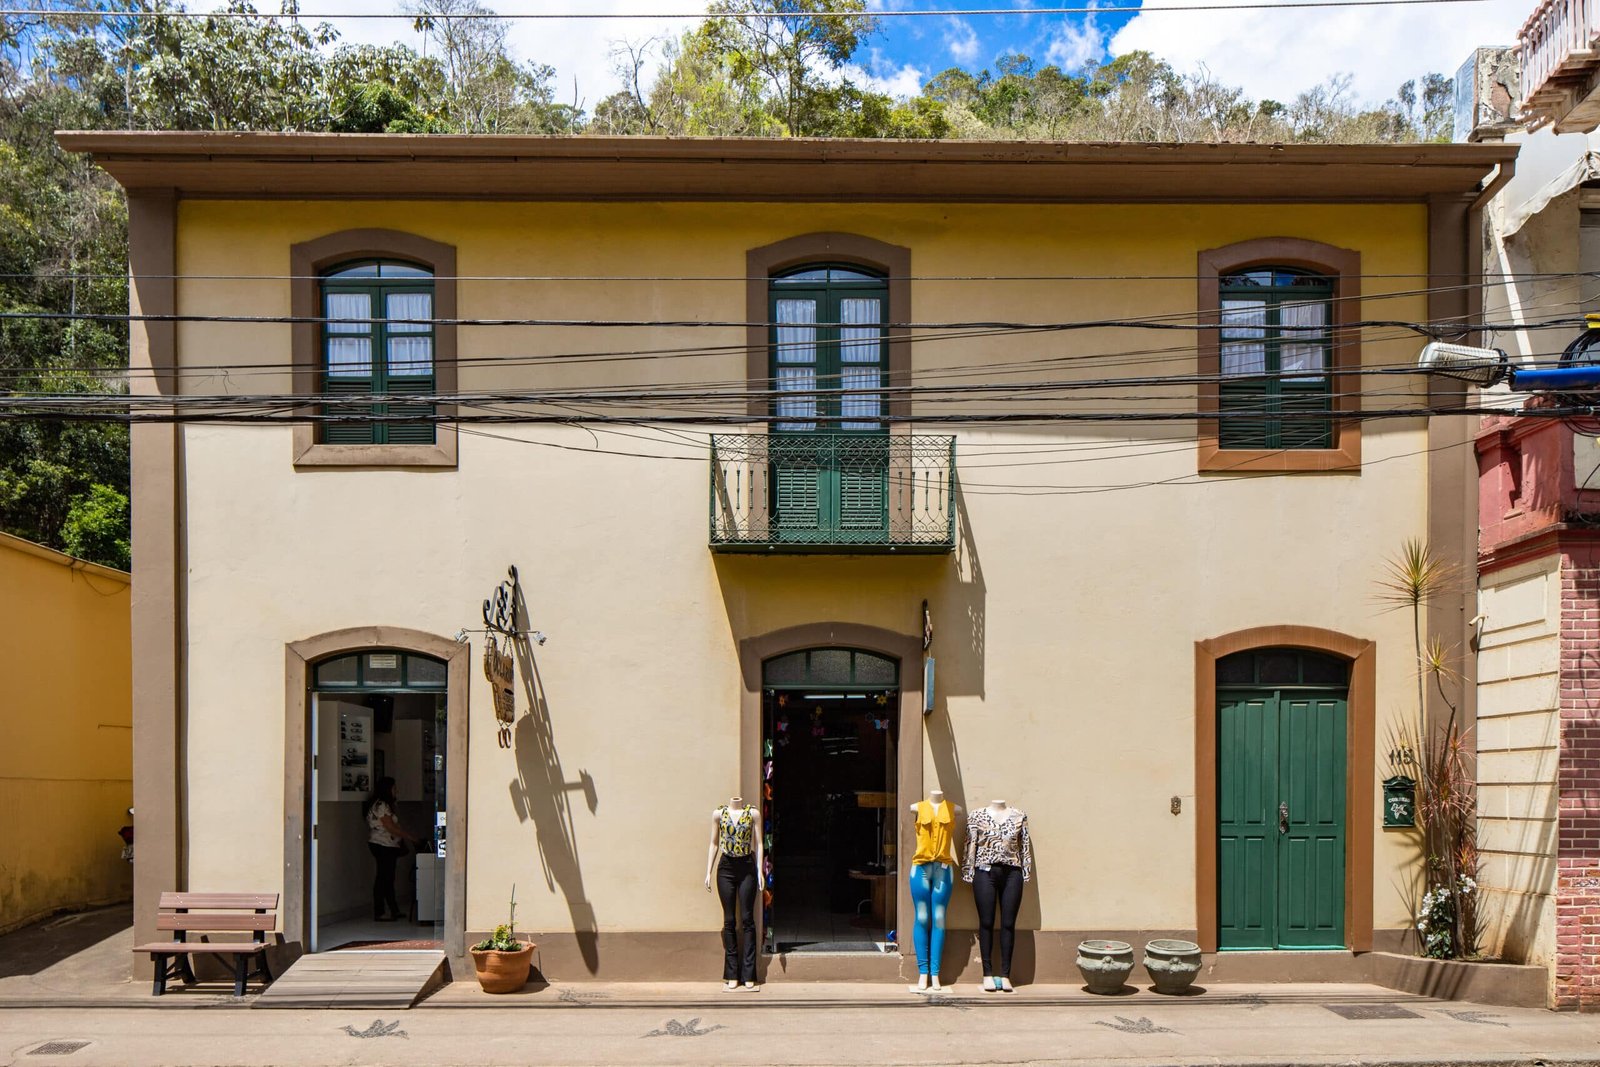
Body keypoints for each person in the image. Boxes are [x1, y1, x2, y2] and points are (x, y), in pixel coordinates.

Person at [704, 794, 765, 990]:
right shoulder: (719, 814)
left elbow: (759, 843)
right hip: (726, 868)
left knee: (747, 919)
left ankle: (748, 973)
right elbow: (714, 843)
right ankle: (731, 973)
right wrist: (708, 871)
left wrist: (760, 871)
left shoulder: (753, 814)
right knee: (729, 920)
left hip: (747, 866)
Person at [364, 777, 419, 922]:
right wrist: (410, 837)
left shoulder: (382, 804)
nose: (396, 791)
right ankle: (380, 911)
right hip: (383, 844)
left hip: (386, 844)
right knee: (383, 878)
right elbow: (390, 827)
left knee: (388, 878)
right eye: (394, 788)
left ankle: (393, 909)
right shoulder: (381, 805)